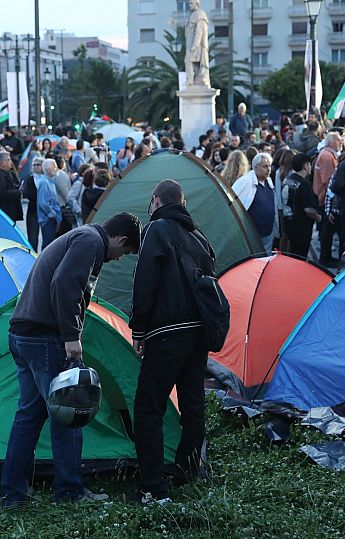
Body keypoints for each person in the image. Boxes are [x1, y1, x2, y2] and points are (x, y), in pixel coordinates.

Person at [1, 211, 141, 509]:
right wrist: (71, 336)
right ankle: (70, 491)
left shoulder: (80, 236)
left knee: (29, 416)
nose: (118, 258)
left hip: (22, 334)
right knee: (69, 412)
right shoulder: (90, 242)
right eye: (124, 252)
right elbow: (64, 285)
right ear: (121, 239)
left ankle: (13, 494)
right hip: (45, 338)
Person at [130, 179, 214, 504]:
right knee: (192, 404)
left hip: (167, 332)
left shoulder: (157, 230)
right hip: (198, 334)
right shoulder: (199, 236)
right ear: (183, 202)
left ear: (155, 201)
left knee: (148, 407)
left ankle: (152, 486)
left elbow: (145, 279)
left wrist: (139, 328)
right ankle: (189, 468)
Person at [232, 153, 277, 253]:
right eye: (265, 166)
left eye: (269, 166)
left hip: (268, 232)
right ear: (256, 167)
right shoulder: (245, 182)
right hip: (252, 235)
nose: (268, 169)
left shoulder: (268, 181)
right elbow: (233, 205)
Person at [282, 153, 322, 258]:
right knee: (300, 256)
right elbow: (308, 210)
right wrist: (318, 217)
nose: (310, 168)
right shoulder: (304, 184)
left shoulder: (288, 179)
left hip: (288, 223)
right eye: (309, 165)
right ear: (305, 166)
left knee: (292, 254)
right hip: (301, 228)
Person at [315, 132, 343, 266]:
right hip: (325, 198)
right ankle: (325, 257)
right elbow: (328, 180)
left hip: (323, 197)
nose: (341, 143)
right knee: (327, 229)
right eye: (339, 141)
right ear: (331, 142)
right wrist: (330, 204)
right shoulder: (327, 156)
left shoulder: (327, 154)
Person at [0, 152, 24, 223]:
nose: (11, 162)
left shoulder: (7, 173)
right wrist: (17, 193)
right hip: (4, 211)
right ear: (2, 162)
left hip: (9, 211)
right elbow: (0, 193)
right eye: (8, 160)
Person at [37, 159, 62, 249]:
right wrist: (53, 213)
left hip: (52, 218)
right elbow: (42, 202)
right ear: (48, 170)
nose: (56, 168)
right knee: (48, 245)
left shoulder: (51, 182)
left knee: (51, 245)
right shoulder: (44, 182)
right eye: (54, 166)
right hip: (48, 219)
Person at [22, 157, 43, 251]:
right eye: (34, 165)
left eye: (38, 165)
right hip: (33, 210)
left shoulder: (47, 178)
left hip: (45, 211)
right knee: (33, 238)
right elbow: (27, 194)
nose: (36, 167)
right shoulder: (30, 179)